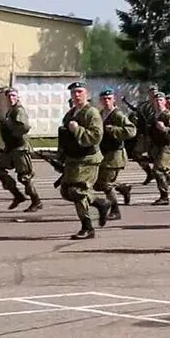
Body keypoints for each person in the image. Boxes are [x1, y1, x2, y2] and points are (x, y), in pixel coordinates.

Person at [59, 82, 112, 240]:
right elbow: (65, 137)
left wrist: (78, 130)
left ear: (86, 94)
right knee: (66, 191)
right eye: (74, 92)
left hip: (88, 158)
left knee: (78, 192)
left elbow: (96, 136)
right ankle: (100, 203)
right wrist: (61, 156)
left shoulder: (92, 113)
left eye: (80, 92)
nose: (76, 95)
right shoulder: (70, 114)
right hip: (73, 158)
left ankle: (87, 227)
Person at [0, 87, 41, 211]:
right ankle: (17, 195)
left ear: (17, 97)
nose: (11, 98)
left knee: (24, 176)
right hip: (10, 148)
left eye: (13, 95)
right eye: (8, 96)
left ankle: (36, 201)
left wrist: (9, 126)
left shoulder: (19, 111)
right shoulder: (10, 111)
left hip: (20, 148)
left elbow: (24, 126)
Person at [96, 87, 136, 220]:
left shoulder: (117, 115)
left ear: (113, 99)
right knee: (99, 183)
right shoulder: (100, 114)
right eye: (104, 99)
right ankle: (123, 188)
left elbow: (131, 130)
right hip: (103, 153)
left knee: (106, 184)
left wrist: (113, 129)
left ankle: (115, 210)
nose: (106, 101)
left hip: (115, 154)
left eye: (109, 98)